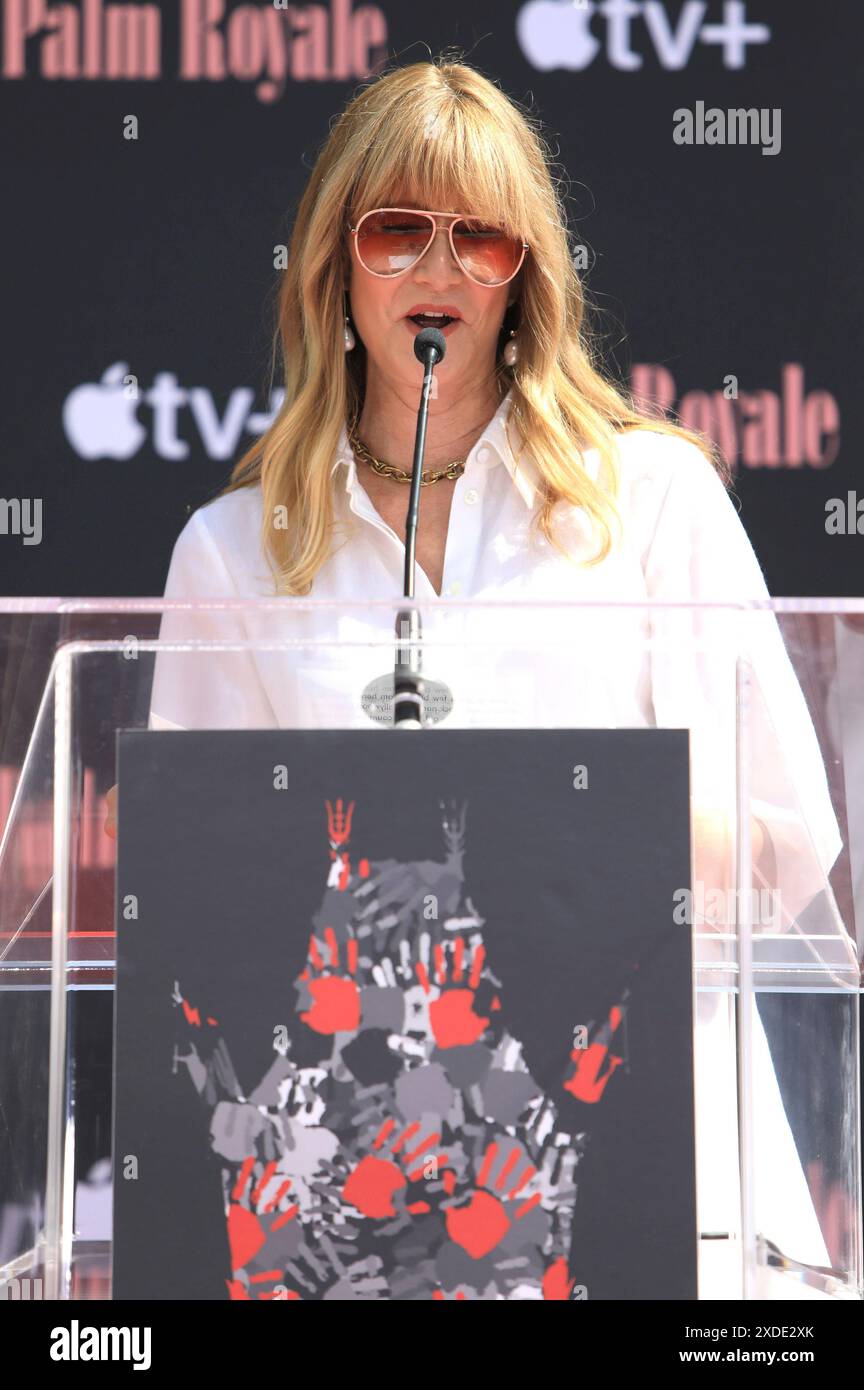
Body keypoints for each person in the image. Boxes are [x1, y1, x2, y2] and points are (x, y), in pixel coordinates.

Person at [141, 56, 844, 1296]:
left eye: (482, 239)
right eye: (398, 230)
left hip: (656, 1190)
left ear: (526, 274)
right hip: (359, 1217)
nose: (439, 270)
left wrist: (559, 812)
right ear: (331, 265)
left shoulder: (652, 500)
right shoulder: (231, 552)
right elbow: (196, 911)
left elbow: (789, 845)